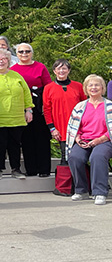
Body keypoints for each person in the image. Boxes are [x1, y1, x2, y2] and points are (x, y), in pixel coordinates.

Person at [0, 48, 33, 181]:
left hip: (16, 117)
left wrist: (28, 110)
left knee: (15, 145)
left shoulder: (16, 75)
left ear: (8, 60)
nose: (1, 62)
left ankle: (16, 169)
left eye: (3, 59)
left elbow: (26, 93)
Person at [66, 75, 112, 205]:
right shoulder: (80, 106)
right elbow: (73, 126)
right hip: (84, 140)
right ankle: (81, 190)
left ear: (102, 88)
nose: (94, 88)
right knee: (75, 157)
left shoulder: (109, 106)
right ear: (86, 89)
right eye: (90, 85)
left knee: (97, 157)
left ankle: (100, 192)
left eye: (97, 85)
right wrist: (78, 137)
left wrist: (101, 139)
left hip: (105, 140)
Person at [11, 43, 53, 177]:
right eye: (21, 51)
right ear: (16, 54)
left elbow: (48, 87)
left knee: (41, 136)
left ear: (32, 52)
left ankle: (44, 169)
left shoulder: (40, 67)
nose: (24, 54)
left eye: (27, 51)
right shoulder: (13, 69)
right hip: (21, 104)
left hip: (39, 102)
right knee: (26, 138)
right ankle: (31, 169)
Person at [43, 59, 86, 158]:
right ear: (54, 71)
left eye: (64, 68)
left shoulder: (78, 86)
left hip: (77, 126)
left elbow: (85, 106)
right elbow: (47, 109)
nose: (61, 71)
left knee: (78, 155)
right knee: (64, 156)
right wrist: (52, 128)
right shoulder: (48, 88)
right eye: (58, 69)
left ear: (69, 70)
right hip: (60, 127)